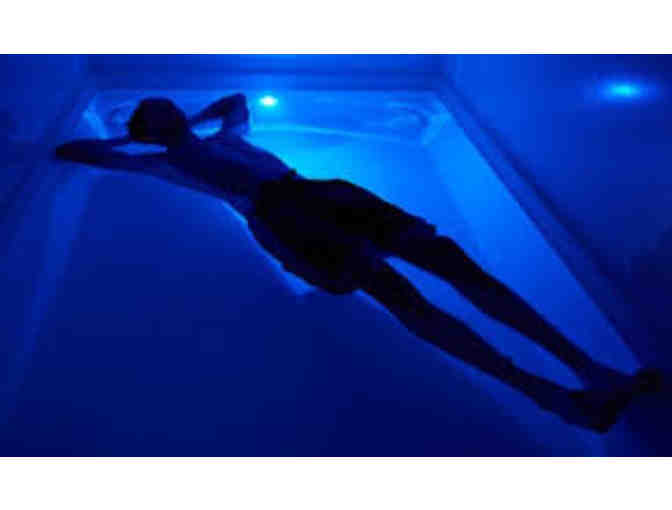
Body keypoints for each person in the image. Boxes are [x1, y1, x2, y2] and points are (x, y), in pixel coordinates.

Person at [54, 93, 662, 433]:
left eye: (168, 107)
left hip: (322, 193)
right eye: (157, 113)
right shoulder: (163, 163)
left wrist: (182, 123)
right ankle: (554, 397)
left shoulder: (223, 138)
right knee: (409, 303)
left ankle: (591, 371)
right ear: (150, 130)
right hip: (289, 218)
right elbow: (73, 149)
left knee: (456, 268)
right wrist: (134, 138)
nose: (168, 112)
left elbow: (235, 101)